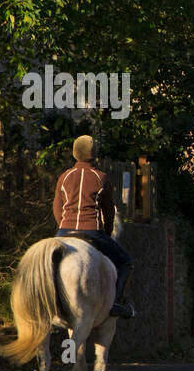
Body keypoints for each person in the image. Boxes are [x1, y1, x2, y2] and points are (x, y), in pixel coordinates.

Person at [53, 134, 135, 318]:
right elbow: (108, 211)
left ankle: (50, 304)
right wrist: (106, 233)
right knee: (126, 262)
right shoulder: (101, 178)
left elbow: (57, 208)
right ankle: (115, 303)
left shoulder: (64, 177)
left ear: (75, 153)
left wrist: (63, 229)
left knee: (48, 262)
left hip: (64, 231)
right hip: (92, 231)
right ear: (94, 155)